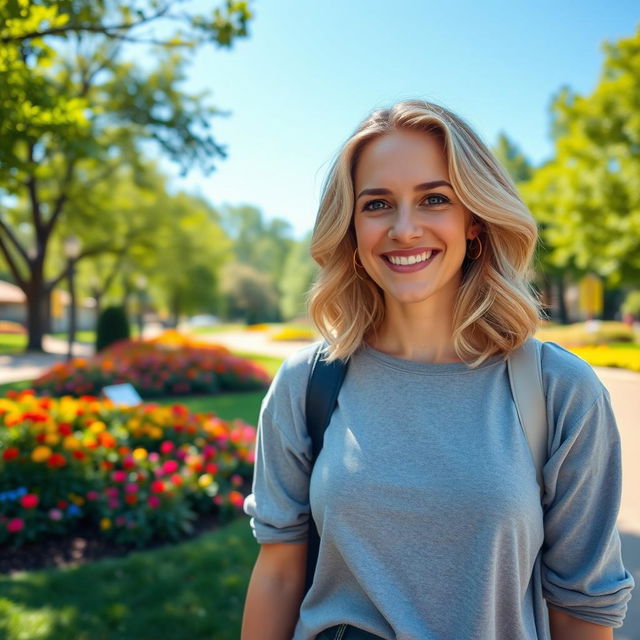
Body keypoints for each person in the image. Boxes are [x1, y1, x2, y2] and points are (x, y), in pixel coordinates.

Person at [240, 100, 634, 640]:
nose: (405, 229)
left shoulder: (559, 391)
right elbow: (279, 577)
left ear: (473, 221)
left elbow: (583, 611)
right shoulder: (306, 383)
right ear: (352, 228)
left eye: (434, 199)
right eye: (377, 204)